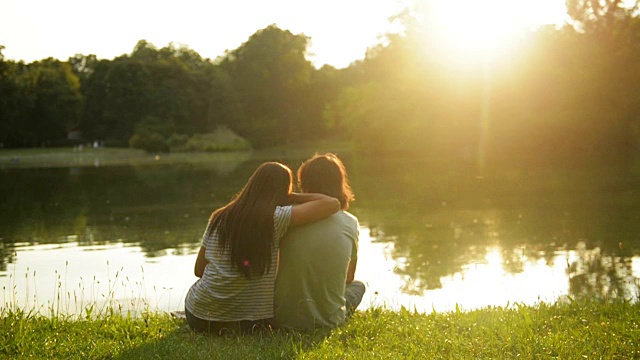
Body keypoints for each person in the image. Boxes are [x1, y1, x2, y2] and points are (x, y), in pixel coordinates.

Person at [184, 161, 340, 334]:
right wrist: (291, 196)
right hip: (249, 324)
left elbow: (199, 270)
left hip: (198, 317)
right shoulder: (276, 218)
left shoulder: (219, 217)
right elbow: (332, 203)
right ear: (282, 190)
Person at [275, 153, 365, 330]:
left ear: (305, 184)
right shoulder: (350, 222)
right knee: (358, 286)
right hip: (329, 321)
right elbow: (348, 278)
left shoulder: (287, 216)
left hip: (279, 318)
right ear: (340, 185)